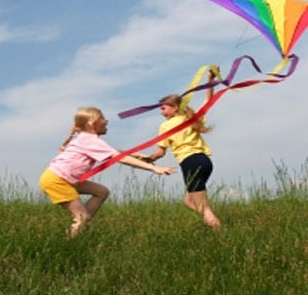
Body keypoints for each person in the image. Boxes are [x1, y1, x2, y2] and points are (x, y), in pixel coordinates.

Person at [39, 106, 176, 238]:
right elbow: (119, 158)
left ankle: (83, 221)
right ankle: (72, 240)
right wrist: (153, 168)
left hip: (64, 178)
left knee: (101, 192)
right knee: (82, 218)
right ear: (93, 124)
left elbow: (114, 153)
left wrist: (136, 155)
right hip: (57, 180)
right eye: (103, 118)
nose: (107, 121)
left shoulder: (87, 139)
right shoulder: (89, 140)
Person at [145, 69, 222, 230]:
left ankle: (219, 231)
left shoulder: (166, 126)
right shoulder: (190, 119)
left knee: (205, 208)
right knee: (188, 201)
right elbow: (208, 100)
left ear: (174, 108)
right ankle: (210, 223)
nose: (161, 112)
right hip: (205, 161)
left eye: (163, 108)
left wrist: (148, 159)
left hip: (190, 163)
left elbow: (160, 152)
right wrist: (210, 79)